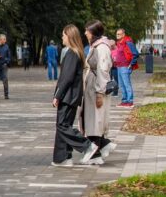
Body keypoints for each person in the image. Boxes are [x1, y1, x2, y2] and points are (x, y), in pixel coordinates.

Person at [51, 25, 99, 166]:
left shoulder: (72, 54)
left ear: (69, 36)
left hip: (68, 96)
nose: (62, 37)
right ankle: (63, 157)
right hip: (71, 96)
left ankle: (87, 146)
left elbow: (67, 78)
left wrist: (57, 95)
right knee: (64, 125)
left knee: (62, 126)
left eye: (63, 35)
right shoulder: (75, 53)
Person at [81, 20, 116, 165]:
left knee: (95, 120)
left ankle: (95, 154)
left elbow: (103, 70)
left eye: (87, 31)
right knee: (92, 119)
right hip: (92, 87)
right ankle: (104, 145)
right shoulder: (96, 46)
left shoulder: (101, 47)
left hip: (96, 88)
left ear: (93, 32)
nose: (85, 33)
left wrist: (100, 93)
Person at [114, 28, 139, 107]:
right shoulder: (119, 43)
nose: (117, 35)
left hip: (125, 66)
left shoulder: (128, 42)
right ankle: (124, 100)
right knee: (121, 85)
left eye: (119, 34)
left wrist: (131, 64)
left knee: (127, 84)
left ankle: (130, 101)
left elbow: (135, 54)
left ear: (123, 34)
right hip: (119, 66)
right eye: (117, 34)